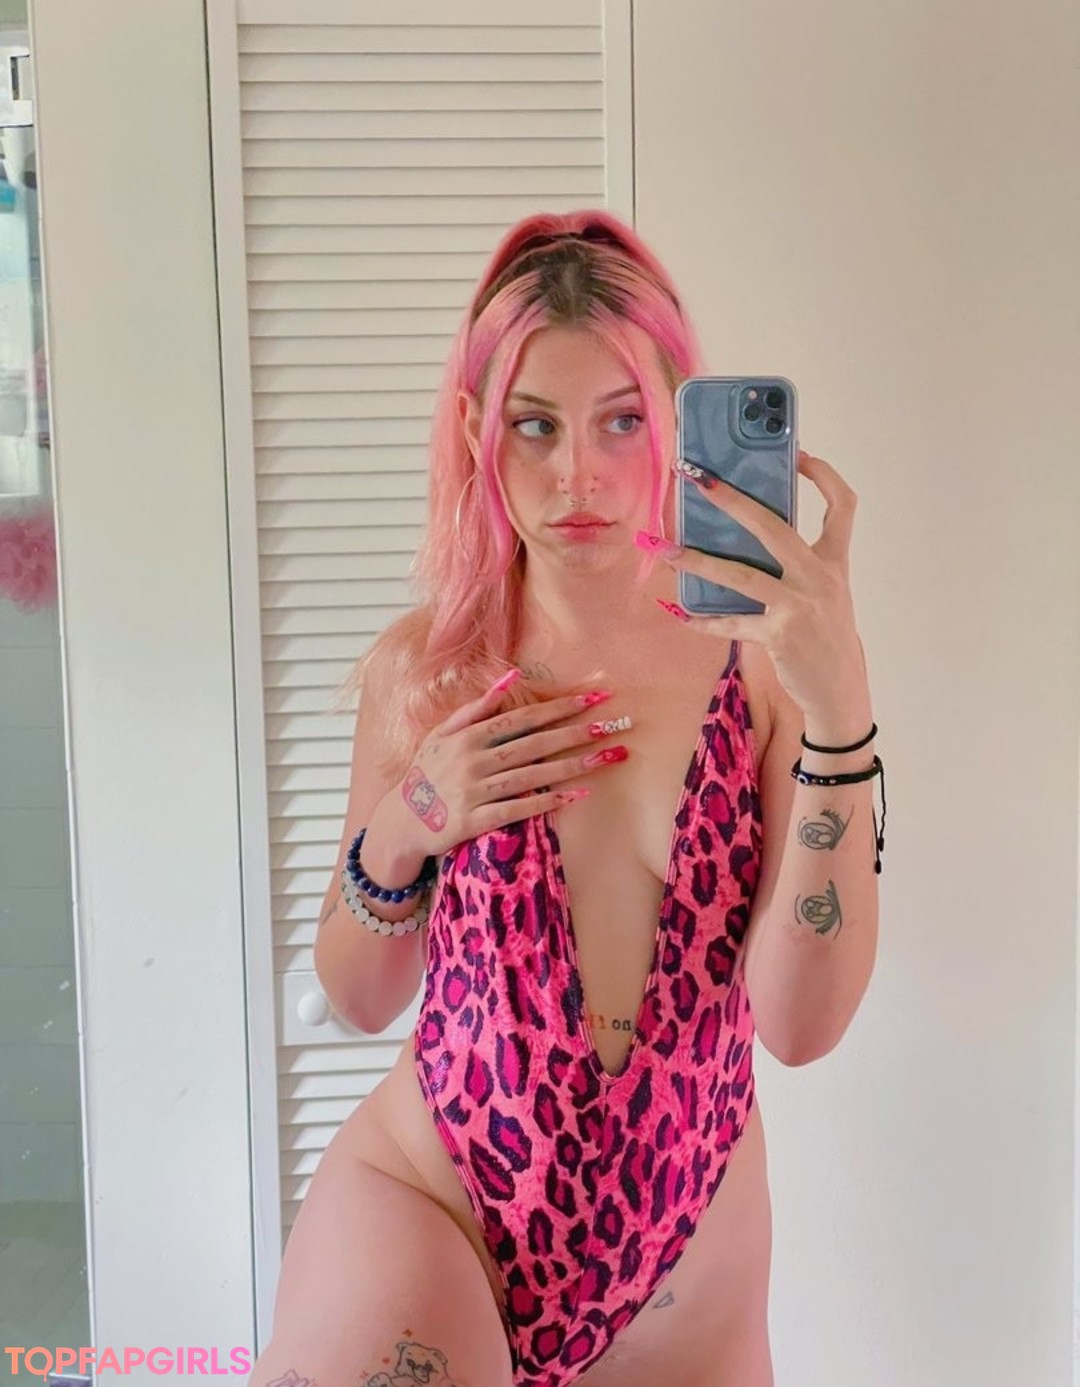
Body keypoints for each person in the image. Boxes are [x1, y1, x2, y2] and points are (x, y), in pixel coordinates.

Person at [248, 210, 884, 1387]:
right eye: (533, 424)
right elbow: (357, 993)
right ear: (474, 432)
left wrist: (840, 704)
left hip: (687, 1285)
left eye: (622, 420)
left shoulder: (765, 669)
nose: (576, 474)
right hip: (432, 1213)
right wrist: (408, 822)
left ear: (677, 420)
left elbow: (801, 1029)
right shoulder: (429, 670)